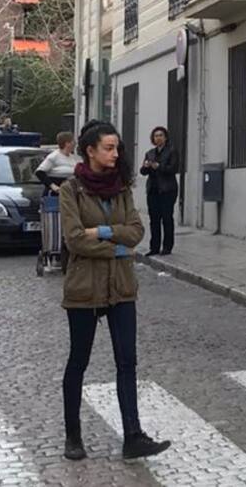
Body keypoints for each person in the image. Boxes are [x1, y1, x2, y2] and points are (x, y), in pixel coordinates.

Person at [59, 120, 170, 461]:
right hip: (85, 287)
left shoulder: (122, 188)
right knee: (79, 360)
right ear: (90, 150)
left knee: (127, 362)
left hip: (121, 287)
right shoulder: (72, 190)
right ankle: (73, 436)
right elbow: (75, 239)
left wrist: (101, 231)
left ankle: (133, 436)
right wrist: (117, 245)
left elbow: (136, 231)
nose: (115, 153)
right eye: (108, 148)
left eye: (117, 148)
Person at [140, 126, 180, 256]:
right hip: (153, 190)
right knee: (154, 219)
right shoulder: (150, 153)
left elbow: (173, 169)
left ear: (165, 137)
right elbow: (143, 171)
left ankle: (167, 247)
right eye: (156, 136)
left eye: (161, 135)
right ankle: (154, 247)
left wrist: (158, 166)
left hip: (168, 189)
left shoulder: (172, 151)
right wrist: (146, 167)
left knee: (167, 218)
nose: (158, 138)